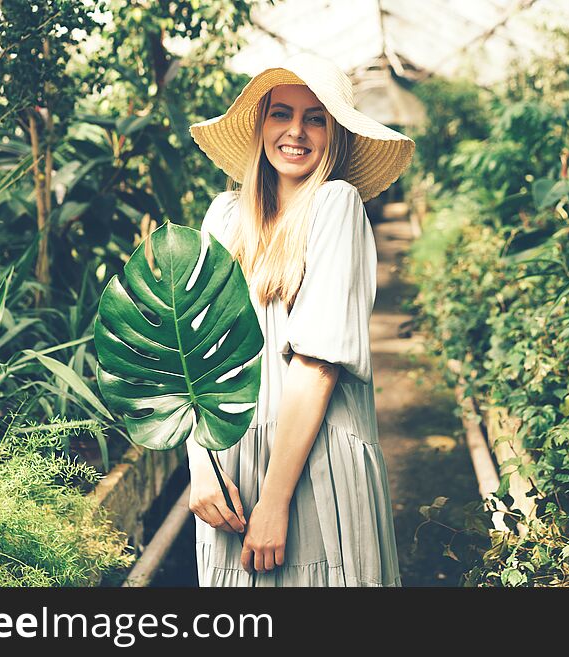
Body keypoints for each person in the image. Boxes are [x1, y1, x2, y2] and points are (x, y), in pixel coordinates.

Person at [185, 52, 415, 586]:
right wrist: (201, 467)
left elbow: (317, 364)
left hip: (313, 461)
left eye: (316, 118)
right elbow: (194, 357)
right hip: (229, 462)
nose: (296, 131)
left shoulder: (337, 204)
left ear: (334, 134)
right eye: (281, 113)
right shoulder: (224, 217)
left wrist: (275, 500)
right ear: (260, 125)